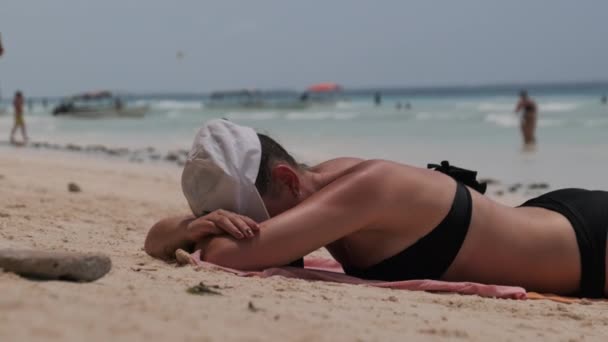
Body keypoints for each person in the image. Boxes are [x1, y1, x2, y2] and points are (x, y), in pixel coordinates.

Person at [145, 119, 608, 298]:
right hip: (553, 226)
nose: (255, 228)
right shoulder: (319, 189)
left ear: (287, 177)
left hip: (588, 242)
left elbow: (228, 256)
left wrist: (201, 234)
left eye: (257, 215)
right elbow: (155, 239)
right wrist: (195, 223)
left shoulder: (367, 188)